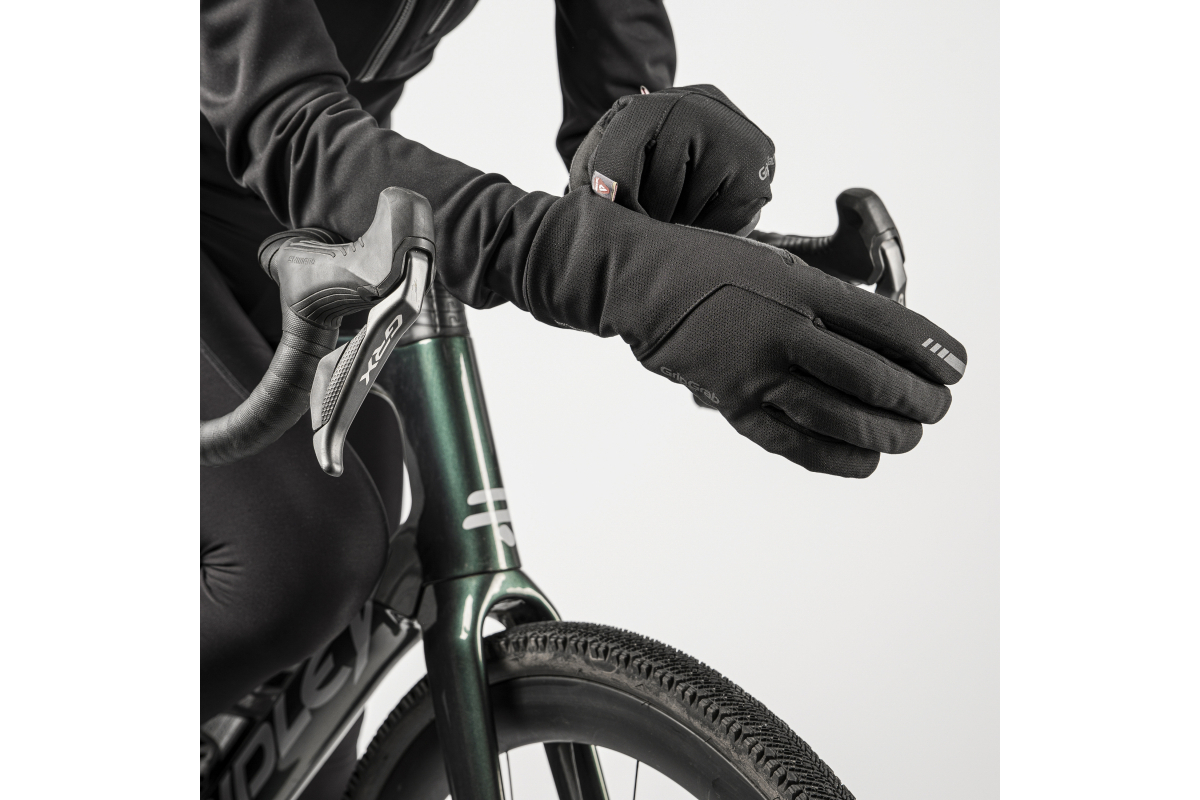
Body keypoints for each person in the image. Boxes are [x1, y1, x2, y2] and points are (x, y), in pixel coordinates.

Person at [201, 1, 967, 795]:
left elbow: (615, 40)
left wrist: (650, 176)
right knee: (301, 556)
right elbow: (286, 125)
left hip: (308, 213)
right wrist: (607, 269)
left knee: (344, 594)